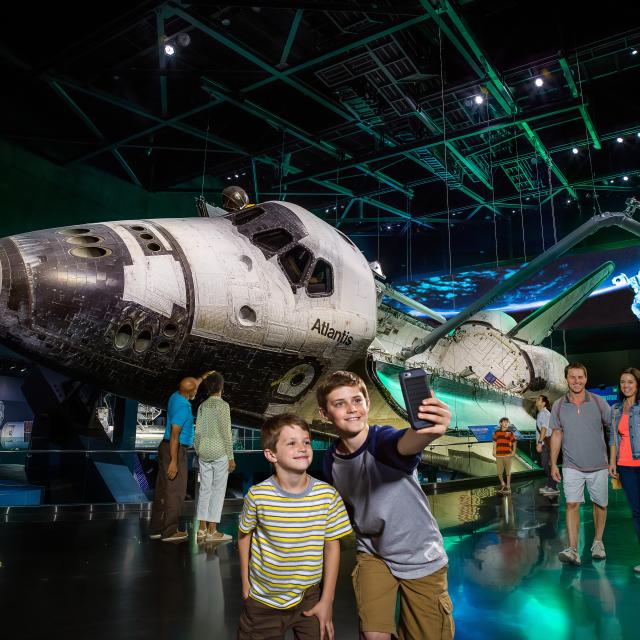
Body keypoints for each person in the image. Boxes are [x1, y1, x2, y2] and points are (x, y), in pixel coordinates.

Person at [319, 370, 454, 640]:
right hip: (373, 552)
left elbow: (404, 444)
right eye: (340, 403)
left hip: (419, 555)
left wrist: (426, 431)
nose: (351, 409)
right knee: (373, 635)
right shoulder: (330, 461)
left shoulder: (382, 442)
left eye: (357, 400)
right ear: (325, 414)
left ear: (368, 404)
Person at [237, 413, 352, 640]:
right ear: (271, 454)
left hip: (309, 598)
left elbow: (332, 546)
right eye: (291, 443)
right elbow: (244, 535)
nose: (302, 447)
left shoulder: (327, 496)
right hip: (263, 601)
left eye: (306, 441)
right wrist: (245, 582)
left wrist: (326, 600)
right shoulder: (258, 495)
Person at [550, 362, 611, 565]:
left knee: (600, 505)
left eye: (580, 377)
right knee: (571, 504)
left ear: (586, 378)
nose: (576, 381)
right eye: (572, 377)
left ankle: (598, 542)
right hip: (571, 465)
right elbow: (556, 435)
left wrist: (613, 460)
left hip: (599, 465)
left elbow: (613, 432)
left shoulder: (600, 402)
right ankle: (573, 548)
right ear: (566, 379)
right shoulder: (558, 405)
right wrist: (552, 464)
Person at [149, 371, 214, 542]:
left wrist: (203, 377)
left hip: (165, 446)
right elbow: (175, 436)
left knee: (163, 489)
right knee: (175, 491)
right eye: (195, 390)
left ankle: (156, 528)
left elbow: (192, 385)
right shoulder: (183, 409)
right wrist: (174, 462)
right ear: (191, 392)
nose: (196, 392)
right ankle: (170, 531)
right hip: (175, 449)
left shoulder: (175, 396)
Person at [194, 371, 235, 543]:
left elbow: (198, 432)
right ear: (221, 387)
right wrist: (231, 457)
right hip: (219, 452)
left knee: (204, 490)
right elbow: (226, 433)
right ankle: (212, 531)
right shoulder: (223, 406)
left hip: (203, 451)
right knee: (217, 492)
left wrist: (198, 449)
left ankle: (201, 530)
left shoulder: (202, 406)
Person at [608, 367, 640, 573]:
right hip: (626, 466)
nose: (626, 385)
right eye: (622, 382)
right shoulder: (616, 409)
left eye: (630, 381)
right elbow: (613, 438)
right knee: (637, 512)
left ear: (637, 384)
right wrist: (612, 462)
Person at [535, 395, 559, 496]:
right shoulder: (541, 413)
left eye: (538, 399)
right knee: (546, 464)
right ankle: (550, 484)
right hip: (546, 443)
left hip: (546, 443)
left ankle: (553, 487)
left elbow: (544, 429)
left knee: (547, 465)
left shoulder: (544, 413)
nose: (536, 401)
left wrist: (540, 443)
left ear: (543, 403)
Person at [493, 417, 517, 494]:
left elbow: (514, 442)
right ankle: (503, 484)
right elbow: (494, 443)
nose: (506, 423)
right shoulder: (496, 432)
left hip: (508, 455)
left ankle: (508, 487)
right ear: (500, 423)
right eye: (504, 422)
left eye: (507, 422)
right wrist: (494, 452)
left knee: (508, 472)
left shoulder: (510, 433)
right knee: (499, 473)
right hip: (499, 456)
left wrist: (513, 451)